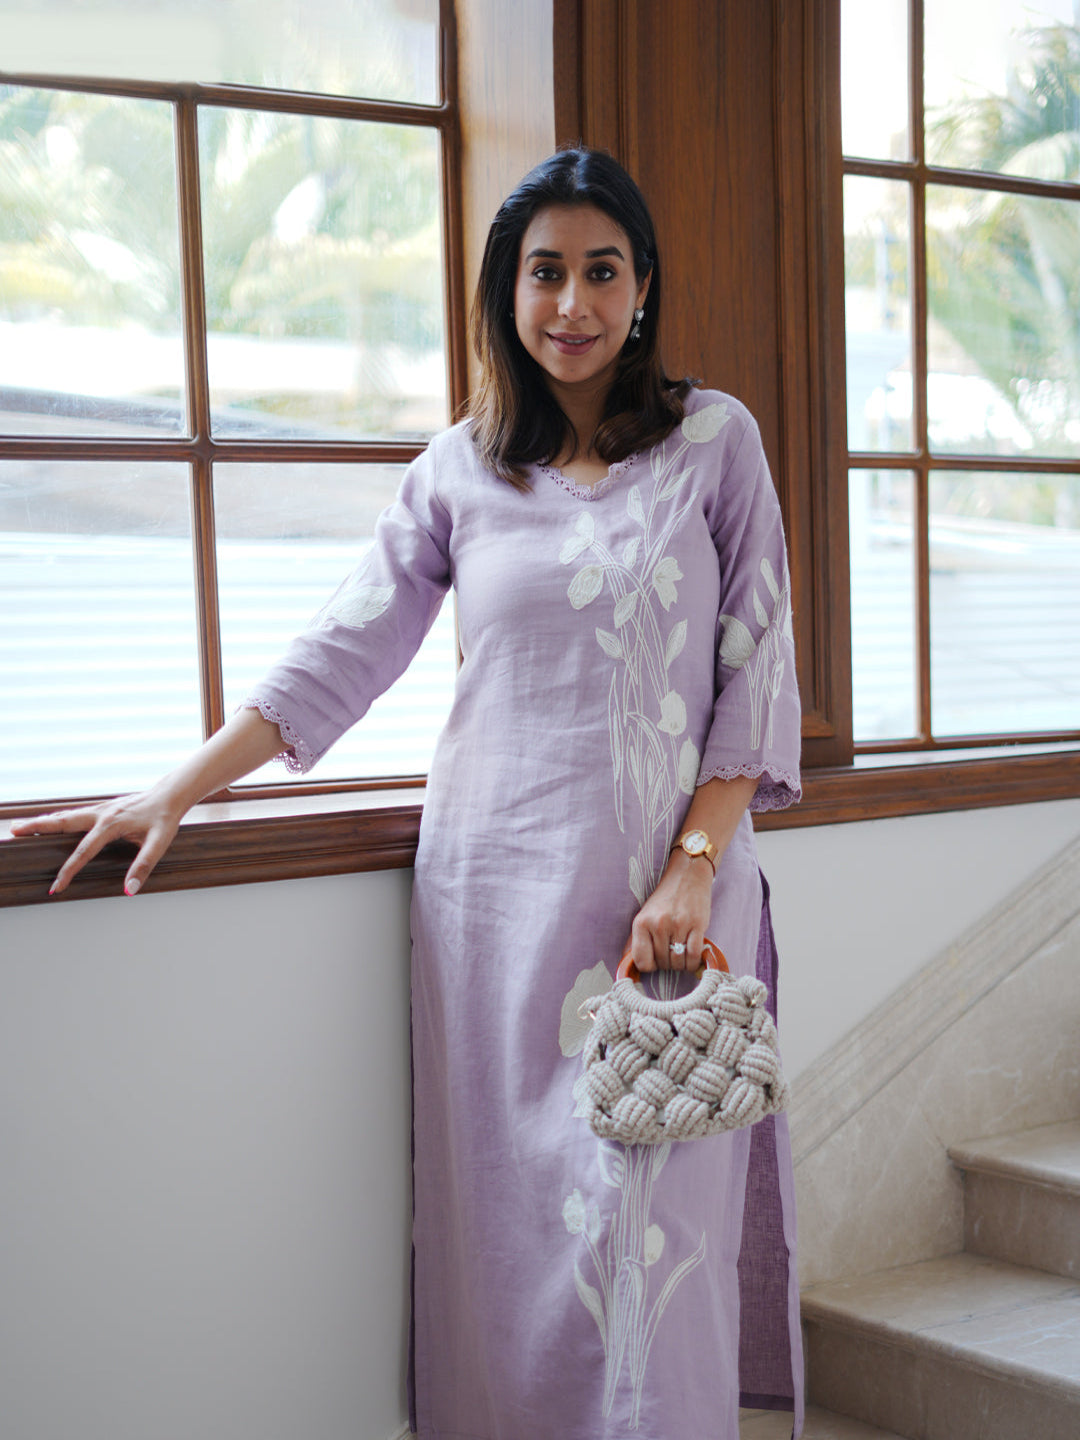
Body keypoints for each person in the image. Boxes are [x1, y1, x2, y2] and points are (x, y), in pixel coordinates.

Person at [14, 148, 804, 1439]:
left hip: (669, 911)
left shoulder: (716, 445)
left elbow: (754, 668)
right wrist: (179, 786)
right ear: (506, 291)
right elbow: (346, 646)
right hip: (495, 907)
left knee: (655, 1240)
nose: (572, 303)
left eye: (602, 271)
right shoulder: (458, 470)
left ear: (644, 287)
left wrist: (694, 866)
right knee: (517, 1242)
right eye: (544, 273)